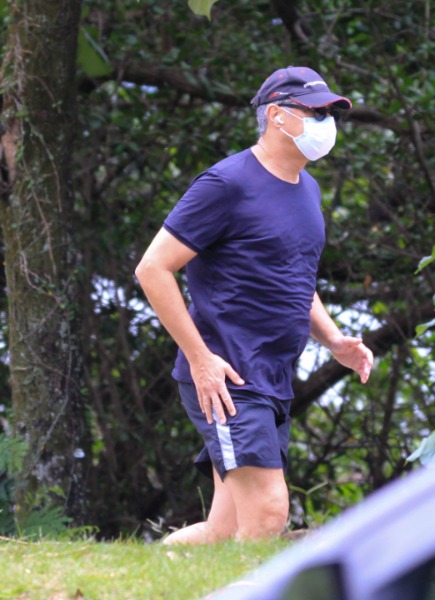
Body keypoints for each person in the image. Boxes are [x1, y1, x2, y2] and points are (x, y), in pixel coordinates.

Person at [135, 66, 374, 544]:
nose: (328, 123)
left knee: (223, 533)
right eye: (317, 112)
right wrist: (201, 359)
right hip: (226, 377)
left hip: (273, 378)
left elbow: (293, 276)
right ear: (277, 116)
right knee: (268, 513)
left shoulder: (308, 190)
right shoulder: (226, 184)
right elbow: (152, 268)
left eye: (332, 113)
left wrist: (332, 339)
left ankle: (137, 579)